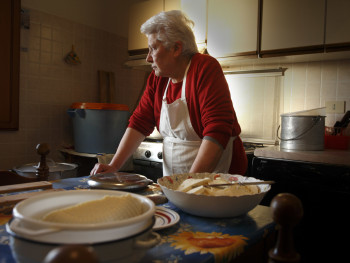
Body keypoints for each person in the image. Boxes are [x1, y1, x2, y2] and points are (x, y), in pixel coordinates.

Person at [90, 10, 247, 177]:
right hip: (176, 182)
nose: (148, 58)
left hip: (218, 179)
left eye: (153, 49)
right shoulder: (158, 79)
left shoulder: (204, 68)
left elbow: (217, 129)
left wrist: (190, 182)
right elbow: (139, 122)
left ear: (176, 48)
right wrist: (114, 165)